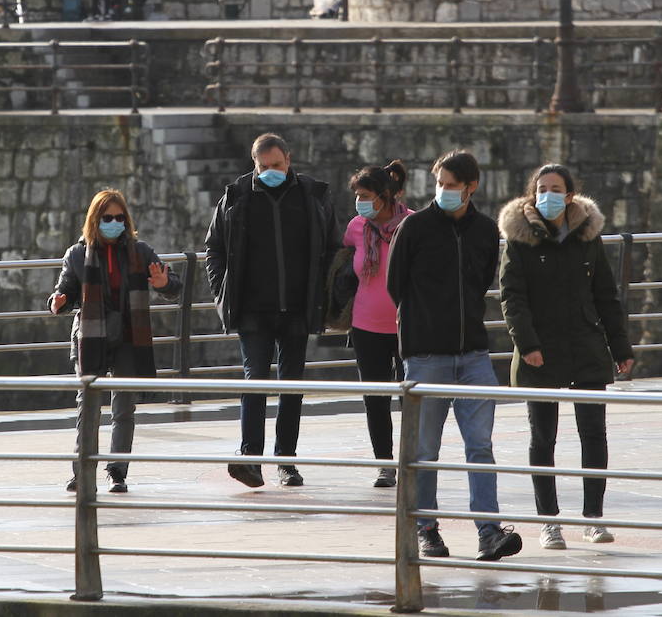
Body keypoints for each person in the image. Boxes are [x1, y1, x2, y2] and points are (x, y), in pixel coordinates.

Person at [387, 150, 522, 562]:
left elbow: (481, 282)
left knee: (480, 446)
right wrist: (422, 324)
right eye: (439, 183)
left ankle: (489, 532)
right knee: (425, 450)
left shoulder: (485, 230)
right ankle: (426, 528)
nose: (443, 190)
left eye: (451, 185)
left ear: (471, 187)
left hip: (474, 354)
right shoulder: (414, 227)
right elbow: (395, 285)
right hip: (426, 355)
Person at [498, 163, 634, 550]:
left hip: (586, 346)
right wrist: (528, 345)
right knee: (543, 438)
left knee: (593, 434)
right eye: (541, 189)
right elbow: (512, 298)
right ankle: (549, 521)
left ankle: (594, 518)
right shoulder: (520, 239)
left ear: (570, 195)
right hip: (540, 352)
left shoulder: (587, 236)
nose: (548, 195)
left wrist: (620, 347)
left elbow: (606, 295)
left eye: (556, 189)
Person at [204, 132, 340, 488]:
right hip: (253, 309)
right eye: (263, 167)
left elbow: (333, 248)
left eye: (276, 165)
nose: (270, 172)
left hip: (297, 308)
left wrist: (324, 295)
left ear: (289, 160)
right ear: (254, 164)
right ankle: (250, 458)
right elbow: (214, 249)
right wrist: (222, 292)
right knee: (255, 382)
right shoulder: (236, 196)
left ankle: (286, 461)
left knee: (291, 385)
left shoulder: (313, 195)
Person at [50, 189, 181, 494]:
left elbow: (173, 284)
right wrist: (58, 302)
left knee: (123, 409)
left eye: (119, 218)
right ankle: (82, 471)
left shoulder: (141, 252)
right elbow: (64, 291)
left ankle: (117, 472)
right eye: (107, 218)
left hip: (128, 336)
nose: (114, 223)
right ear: (95, 220)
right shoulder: (77, 254)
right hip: (90, 338)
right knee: (88, 409)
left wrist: (164, 283)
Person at [342, 160, 411, 488]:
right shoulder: (356, 227)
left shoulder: (412, 225)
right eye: (357, 196)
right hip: (365, 326)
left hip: (407, 326)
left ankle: (411, 460)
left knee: (410, 398)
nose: (360, 202)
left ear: (384, 196)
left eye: (366, 196)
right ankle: (385, 464)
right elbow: (343, 261)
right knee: (375, 399)